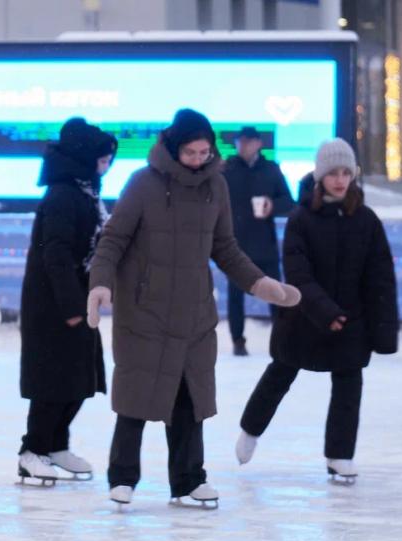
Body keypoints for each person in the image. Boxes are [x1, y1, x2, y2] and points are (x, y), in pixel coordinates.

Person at [86, 108, 301, 509]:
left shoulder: (215, 187)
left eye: (205, 152)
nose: (199, 159)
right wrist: (99, 283)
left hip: (194, 311)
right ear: (172, 147)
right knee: (137, 395)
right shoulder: (143, 184)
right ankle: (123, 477)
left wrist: (260, 283)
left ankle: (188, 480)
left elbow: (224, 247)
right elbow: (112, 239)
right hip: (144, 309)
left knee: (189, 400)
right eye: (191, 152)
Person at [235, 138, 398, 481]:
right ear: (319, 176)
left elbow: (380, 277)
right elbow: (298, 274)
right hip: (304, 317)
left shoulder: (367, 220)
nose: (339, 180)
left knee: (349, 385)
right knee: (280, 374)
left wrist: (380, 330)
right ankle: (250, 430)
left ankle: (340, 455)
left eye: (345, 173)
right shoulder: (301, 219)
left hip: (351, 320)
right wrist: (325, 312)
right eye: (332, 173)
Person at [17, 118, 117, 484]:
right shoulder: (62, 196)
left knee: (78, 378)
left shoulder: (83, 191)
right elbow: (55, 255)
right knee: (53, 382)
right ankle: (32, 450)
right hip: (55, 307)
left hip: (77, 301)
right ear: (86, 158)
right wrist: (72, 308)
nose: (106, 166)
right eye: (103, 159)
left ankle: (57, 444)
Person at [223, 126, 296, 355]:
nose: (243, 146)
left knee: (275, 292)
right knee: (236, 296)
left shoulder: (271, 170)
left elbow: (288, 201)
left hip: (265, 243)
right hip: (236, 244)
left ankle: (282, 338)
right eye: (240, 142)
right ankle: (238, 340)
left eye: (248, 142)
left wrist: (272, 206)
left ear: (258, 144)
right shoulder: (227, 170)